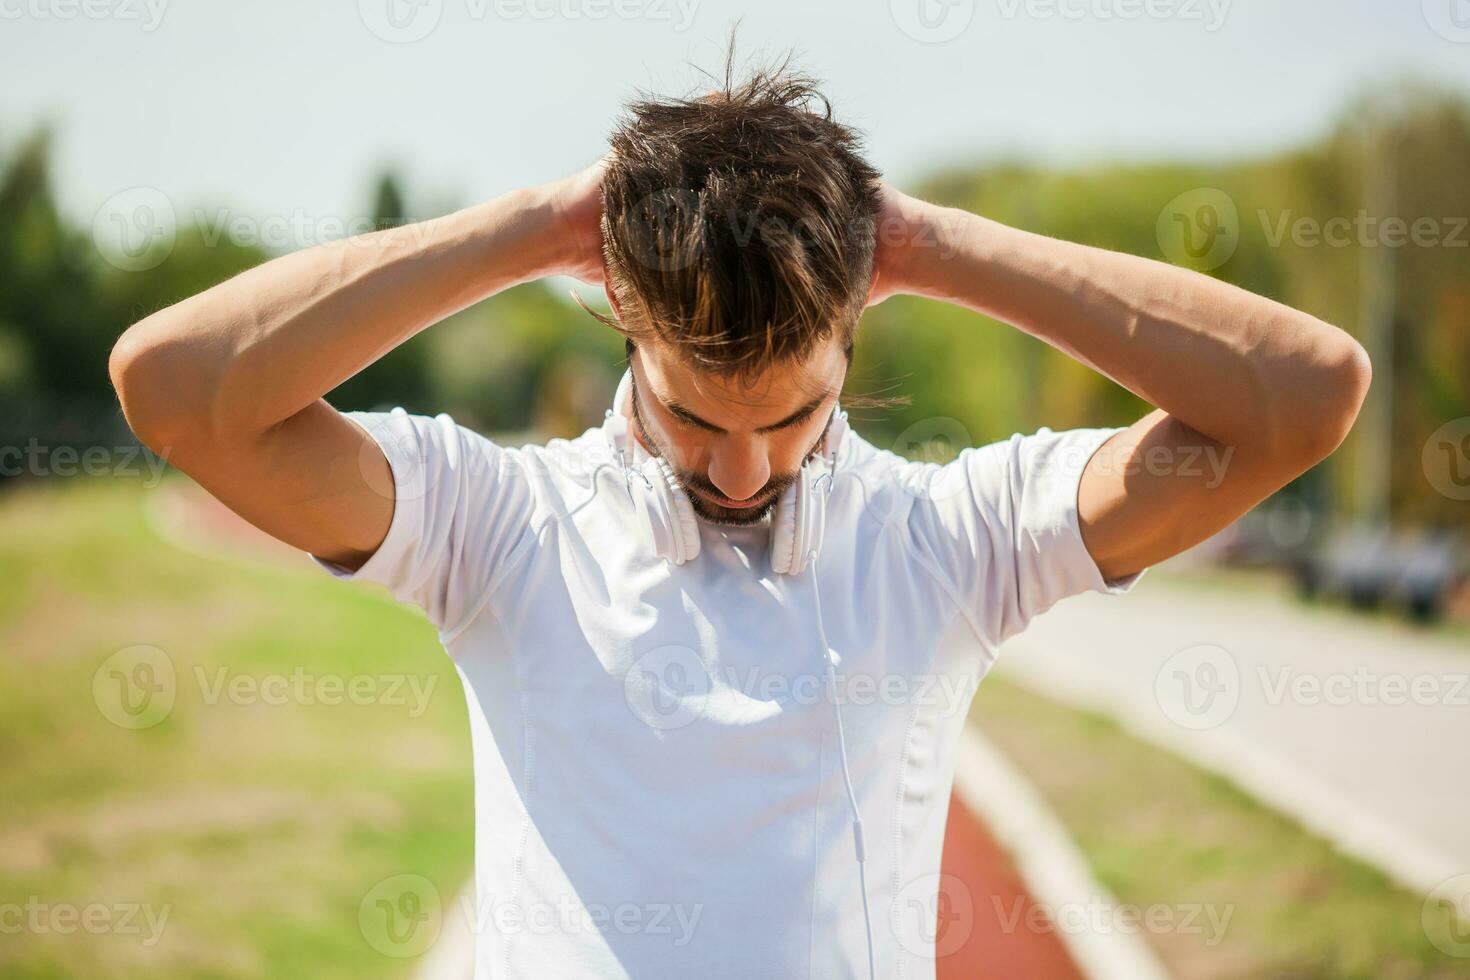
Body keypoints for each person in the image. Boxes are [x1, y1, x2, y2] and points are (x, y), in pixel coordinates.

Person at [108, 52, 1370, 980]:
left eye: (794, 413)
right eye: (697, 417)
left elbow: (1303, 400)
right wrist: (537, 227)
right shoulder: (495, 524)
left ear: (855, 329)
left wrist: (927, 240)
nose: (744, 471)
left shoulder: (950, 540)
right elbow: (177, 391)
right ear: (621, 323)